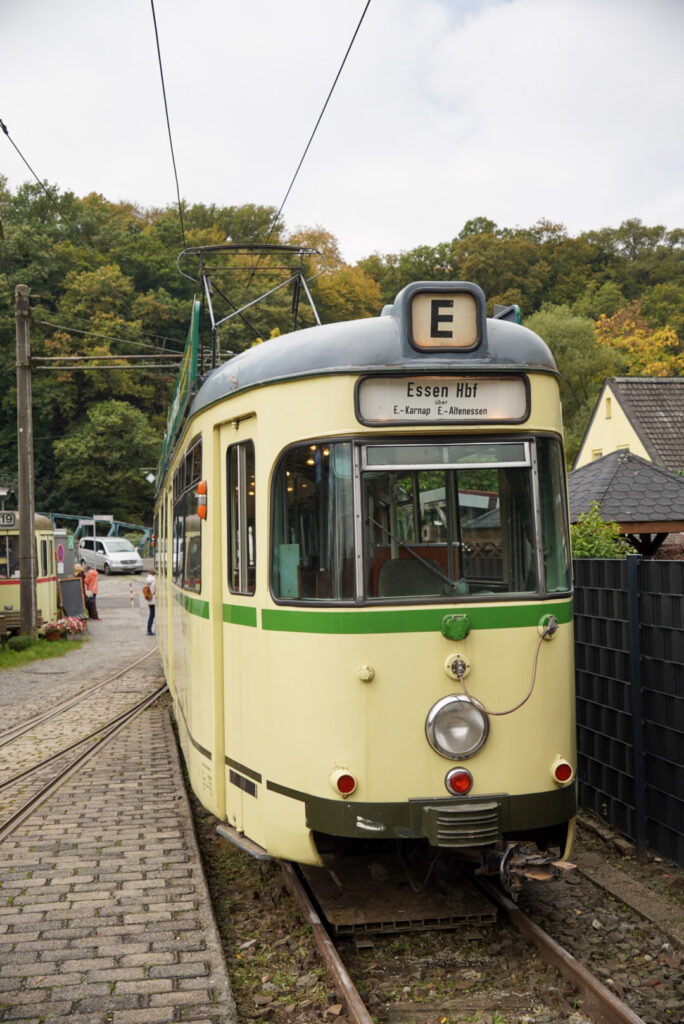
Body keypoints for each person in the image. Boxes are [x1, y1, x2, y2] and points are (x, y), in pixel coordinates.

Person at [144, 568, 156, 635]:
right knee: (152, 615)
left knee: (151, 614)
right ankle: (149, 631)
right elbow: (155, 589)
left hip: (149, 598)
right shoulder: (154, 579)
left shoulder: (148, 579)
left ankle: (149, 630)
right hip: (153, 599)